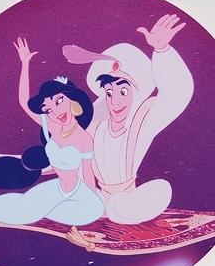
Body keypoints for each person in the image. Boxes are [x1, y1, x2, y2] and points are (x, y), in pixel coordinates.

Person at [62, 14, 194, 224]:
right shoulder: (95, 125)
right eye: (109, 92)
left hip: (130, 199)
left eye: (123, 92)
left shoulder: (142, 119)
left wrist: (162, 50)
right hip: (98, 197)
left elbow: (177, 95)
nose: (115, 101)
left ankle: (122, 209)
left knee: (159, 191)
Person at [0, 37, 104, 226]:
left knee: (89, 212)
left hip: (77, 193)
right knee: (20, 209)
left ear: (73, 102)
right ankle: (4, 207)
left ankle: (41, 210)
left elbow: (88, 173)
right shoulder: (51, 126)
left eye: (59, 101)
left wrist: (93, 199)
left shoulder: (84, 139)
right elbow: (24, 102)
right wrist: (25, 64)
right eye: (48, 109)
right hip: (56, 189)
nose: (56, 112)